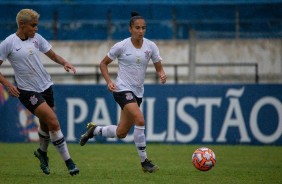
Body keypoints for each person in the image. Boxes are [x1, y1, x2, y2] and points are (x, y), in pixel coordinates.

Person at [80, 11, 167, 173]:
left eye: (143, 28)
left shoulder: (151, 46)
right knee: (140, 120)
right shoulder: (121, 46)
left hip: (138, 92)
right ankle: (145, 163)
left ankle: (95, 130)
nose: (140, 31)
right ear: (130, 29)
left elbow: (158, 65)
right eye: (137, 28)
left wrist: (161, 73)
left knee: (121, 132)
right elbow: (103, 64)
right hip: (122, 89)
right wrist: (109, 81)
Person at [0, 9, 79, 176]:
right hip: (27, 91)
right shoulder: (8, 43)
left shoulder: (36, 38)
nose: (36, 29)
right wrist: (7, 84)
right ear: (22, 25)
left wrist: (65, 62)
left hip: (46, 86)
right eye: (33, 25)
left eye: (36, 25)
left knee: (46, 123)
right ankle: (69, 162)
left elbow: (52, 54)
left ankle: (42, 152)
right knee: (54, 122)